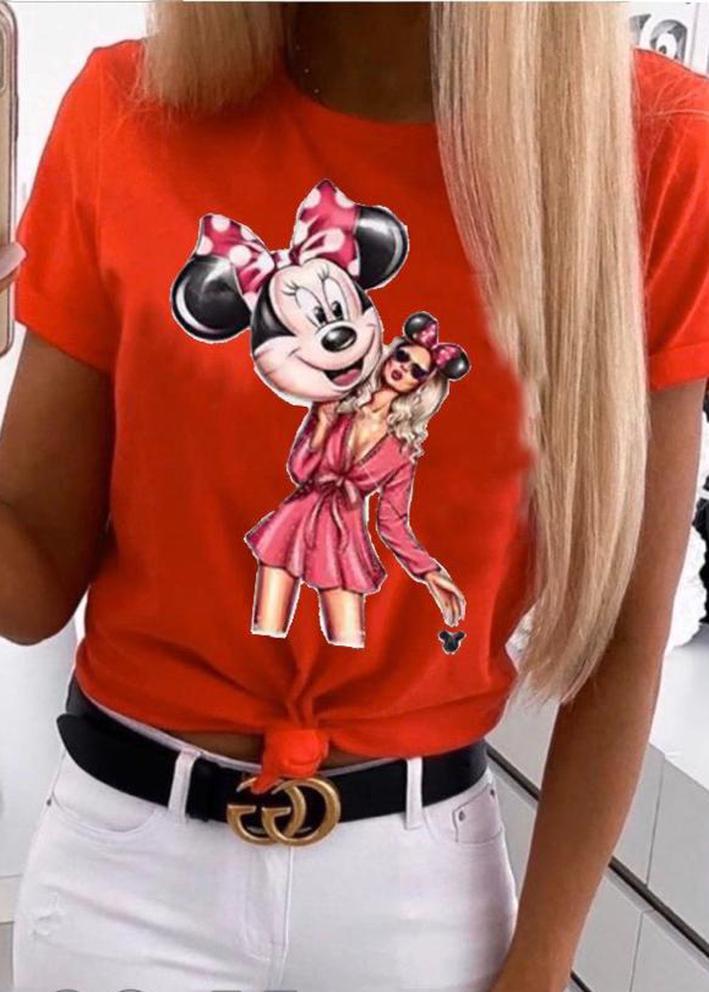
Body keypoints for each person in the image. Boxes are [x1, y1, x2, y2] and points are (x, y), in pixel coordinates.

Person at [2, 3, 708, 991]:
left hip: (421, 900)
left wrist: (542, 963)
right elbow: (27, 587)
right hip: (126, 878)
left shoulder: (650, 145)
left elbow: (628, 628)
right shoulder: (125, 109)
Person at [245, 317, 469, 648]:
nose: (403, 368)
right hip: (294, 522)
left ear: (423, 386)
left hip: (343, 537)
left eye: (416, 371)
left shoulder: (403, 451)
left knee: (348, 641)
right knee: (266, 632)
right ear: (390, 353)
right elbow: (299, 470)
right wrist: (323, 423)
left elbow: (392, 522)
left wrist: (429, 571)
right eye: (402, 357)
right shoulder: (338, 401)